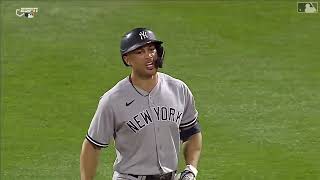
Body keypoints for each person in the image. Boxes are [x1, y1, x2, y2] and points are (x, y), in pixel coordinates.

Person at [80, 27, 202, 180]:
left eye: (151, 49)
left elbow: (191, 132)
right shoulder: (112, 100)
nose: (149, 56)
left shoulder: (178, 89)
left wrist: (191, 168)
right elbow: (92, 145)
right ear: (127, 59)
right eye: (140, 52)